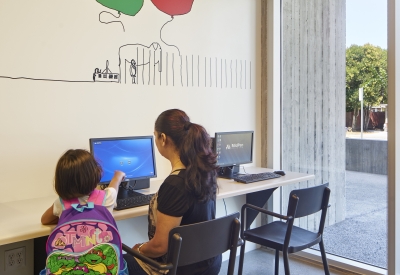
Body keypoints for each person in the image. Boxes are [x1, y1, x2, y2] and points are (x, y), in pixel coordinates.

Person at [123, 109, 220, 275]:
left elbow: (160, 247)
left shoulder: (175, 185)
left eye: (155, 136)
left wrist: (139, 248)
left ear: (163, 138)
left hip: (177, 269)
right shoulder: (204, 173)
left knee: (117, 261)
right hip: (208, 264)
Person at [41, 149, 125, 225]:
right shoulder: (107, 197)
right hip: (104, 242)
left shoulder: (61, 203)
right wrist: (118, 176)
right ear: (95, 176)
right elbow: (114, 185)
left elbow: (44, 220)